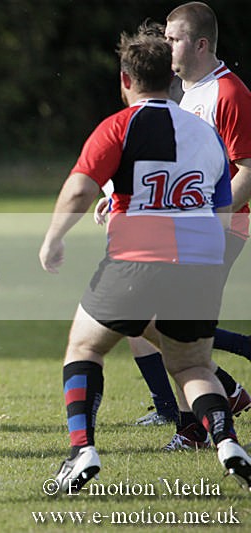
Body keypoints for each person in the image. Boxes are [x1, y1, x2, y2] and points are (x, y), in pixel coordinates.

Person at [39, 26, 251, 493]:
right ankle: (228, 443)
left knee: (84, 348)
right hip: (198, 264)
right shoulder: (206, 135)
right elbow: (220, 207)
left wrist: (53, 237)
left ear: (125, 79)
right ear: (172, 81)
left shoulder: (119, 125)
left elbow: (79, 187)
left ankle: (81, 451)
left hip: (137, 259)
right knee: (193, 365)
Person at [101, 3, 251, 448]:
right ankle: (221, 395)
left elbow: (247, 169)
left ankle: (198, 426)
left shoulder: (228, 93)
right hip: (180, 229)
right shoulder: (184, 93)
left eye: (174, 38)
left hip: (220, 230)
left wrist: (210, 221)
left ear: (201, 44)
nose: (165, 46)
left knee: (168, 325)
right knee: (147, 320)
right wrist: (116, 198)